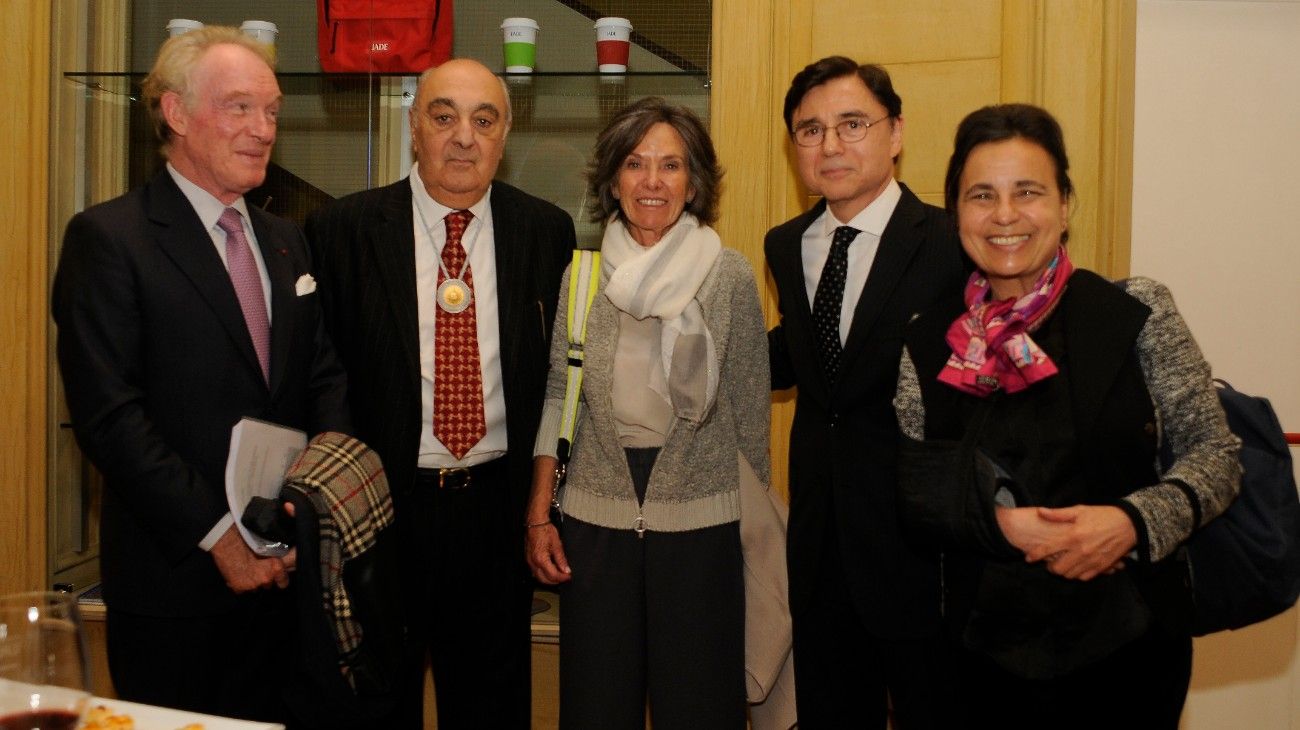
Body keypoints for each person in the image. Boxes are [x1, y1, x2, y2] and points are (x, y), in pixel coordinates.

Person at [893, 103, 1242, 728]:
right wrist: (1006, 530)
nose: (1005, 215)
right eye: (982, 195)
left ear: (1064, 203)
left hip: (1131, 651)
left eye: (1028, 191)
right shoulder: (928, 339)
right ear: (957, 213)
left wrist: (1131, 522)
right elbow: (916, 492)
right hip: (975, 662)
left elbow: (1215, 455)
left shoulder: (1135, 314)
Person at [52, 26, 350, 722]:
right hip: (176, 588)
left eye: (272, 111)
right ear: (177, 114)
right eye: (240, 107)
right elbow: (110, 418)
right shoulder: (110, 239)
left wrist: (311, 505)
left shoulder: (285, 238)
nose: (263, 129)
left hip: (285, 577)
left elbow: (323, 374)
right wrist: (220, 536)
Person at [305, 58, 576, 728]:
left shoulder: (546, 231)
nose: (464, 137)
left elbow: (557, 381)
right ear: (413, 129)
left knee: (492, 706)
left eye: (484, 120)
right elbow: (319, 376)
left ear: (504, 136)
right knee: (376, 705)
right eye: (444, 115)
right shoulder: (341, 231)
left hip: (493, 517)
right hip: (382, 517)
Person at [525, 97, 769, 729]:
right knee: (596, 709)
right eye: (636, 164)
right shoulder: (582, 278)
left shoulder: (730, 276)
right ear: (612, 179)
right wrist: (537, 513)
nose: (652, 182)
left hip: (703, 529)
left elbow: (749, 418)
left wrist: (752, 538)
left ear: (694, 183)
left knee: (700, 710)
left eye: (671, 165)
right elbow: (559, 394)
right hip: (594, 524)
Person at [764, 56, 966, 728]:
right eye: (810, 130)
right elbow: (800, 358)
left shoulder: (951, 242)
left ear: (896, 132)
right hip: (819, 548)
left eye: (852, 124)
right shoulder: (786, 243)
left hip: (924, 555)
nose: (830, 145)